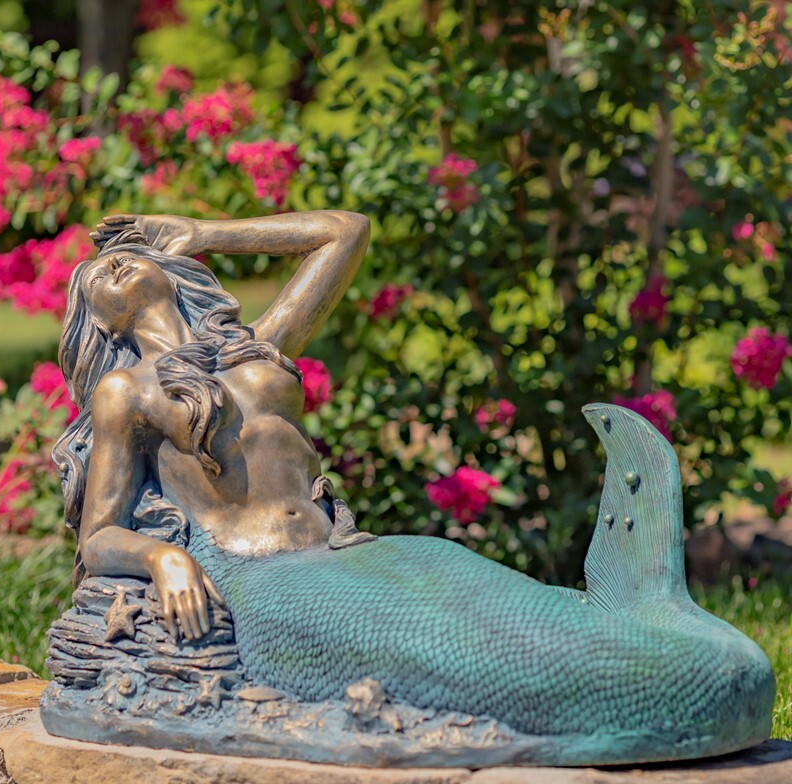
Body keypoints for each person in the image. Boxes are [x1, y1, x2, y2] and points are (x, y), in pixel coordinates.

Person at [52, 211, 774, 764]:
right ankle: (655, 694)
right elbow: (99, 535)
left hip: (351, 550)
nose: (109, 267)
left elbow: (345, 233)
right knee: (464, 652)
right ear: (100, 325)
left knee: (512, 602)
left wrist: (208, 232)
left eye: (120, 258)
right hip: (263, 578)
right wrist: (163, 558)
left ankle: (658, 625)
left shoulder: (257, 346)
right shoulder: (126, 392)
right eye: (94, 282)